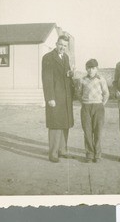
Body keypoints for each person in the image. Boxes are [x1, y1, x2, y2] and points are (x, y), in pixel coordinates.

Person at [42, 35, 74, 163]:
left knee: (65, 123)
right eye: (60, 45)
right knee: (55, 125)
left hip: (66, 97)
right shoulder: (48, 58)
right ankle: (53, 153)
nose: (62, 48)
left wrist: (70, 74)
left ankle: (62, 150)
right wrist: (50, 97)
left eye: (65, 46)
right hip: (55, 97)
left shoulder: (65, 57)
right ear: (56, 44)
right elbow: (47, 78)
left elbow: (65, 74)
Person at [77, 59, 109, 163]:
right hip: (86, 107)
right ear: (86, 69)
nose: (91, 70)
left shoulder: (101, 79)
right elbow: (78, 93)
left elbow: (106, 93)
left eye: (93, 68)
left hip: (98, 107)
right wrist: (84, 103)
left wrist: (101, 104)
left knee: (98, 131)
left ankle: (98, 155)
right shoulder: (82, 80)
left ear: (97, 69)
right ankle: (89, 155)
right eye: (89, 68)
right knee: (87, 131)